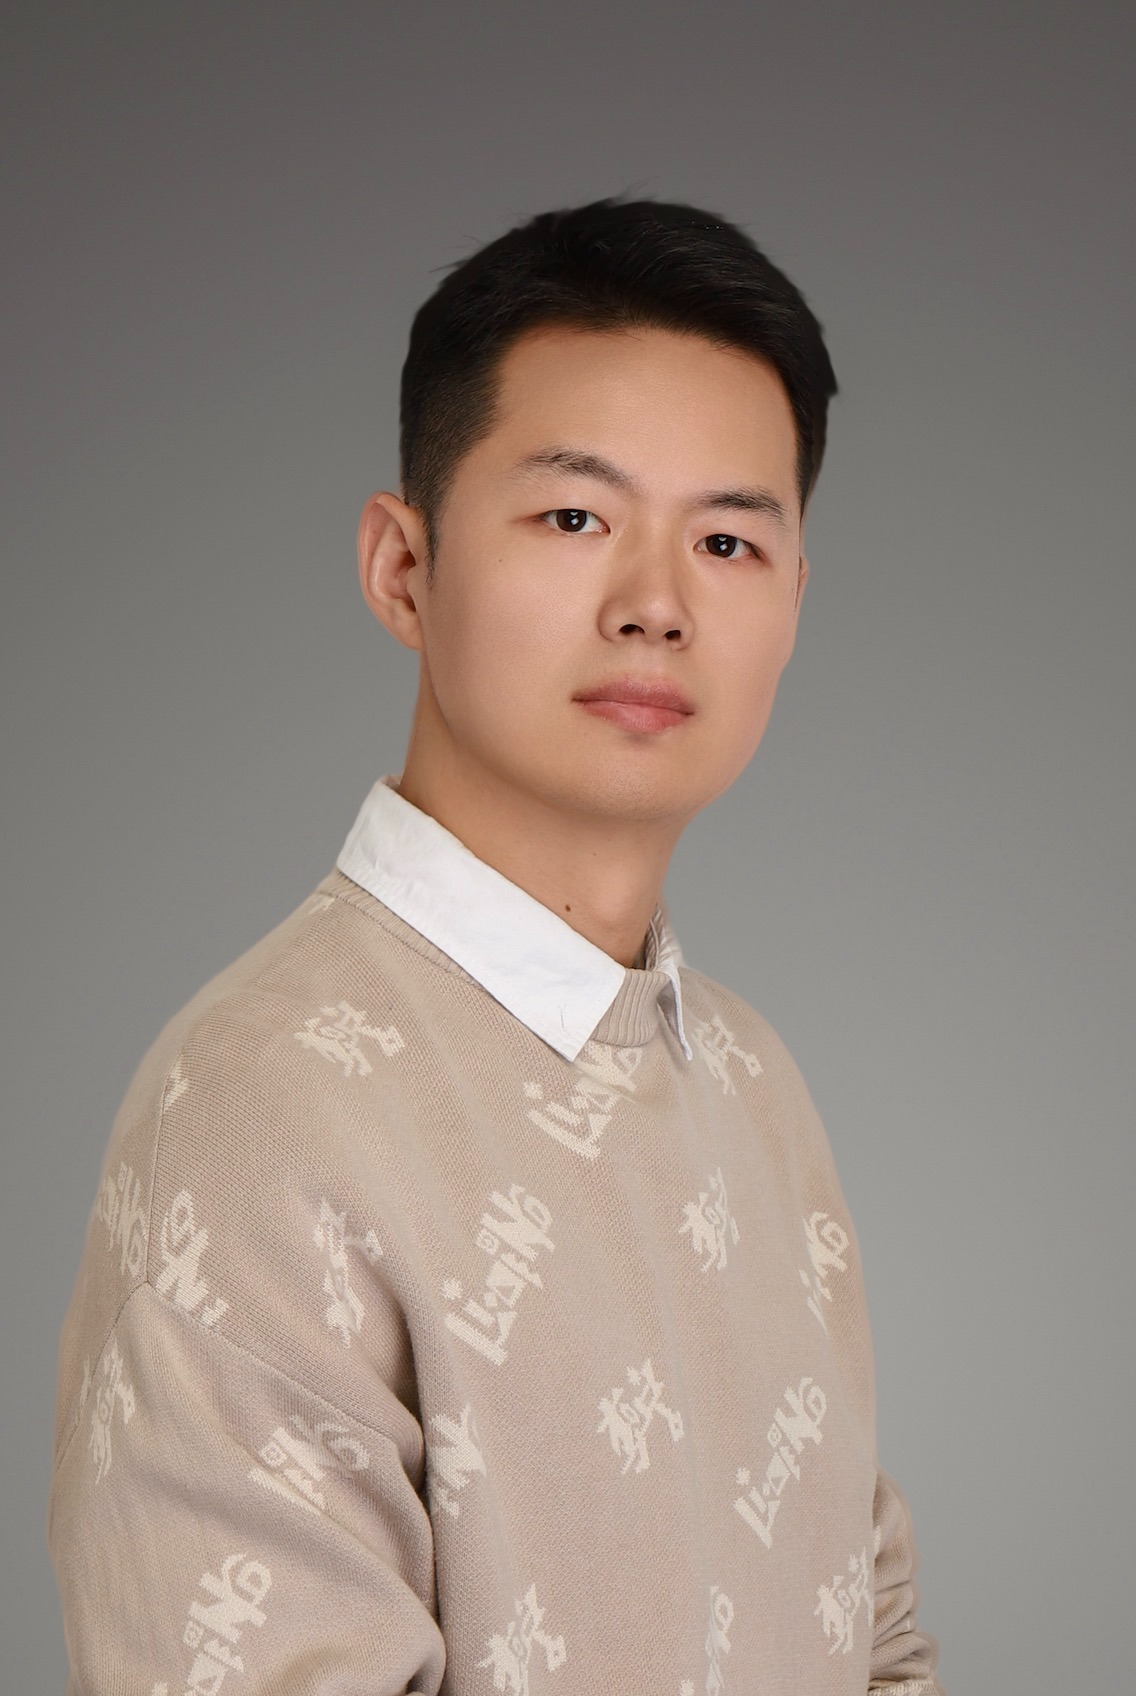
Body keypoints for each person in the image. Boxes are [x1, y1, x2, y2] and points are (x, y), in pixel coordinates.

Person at [48, 195, 943, 1694]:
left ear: (794, 603)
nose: (655, 606)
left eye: (728, 540)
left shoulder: (754, 1084)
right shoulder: (258, 1111)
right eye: (576, 518)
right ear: (404, 568)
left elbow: (874, 1632)